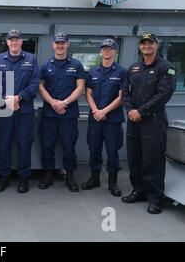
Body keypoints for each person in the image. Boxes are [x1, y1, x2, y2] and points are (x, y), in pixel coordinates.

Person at [121, 33, 176, 214]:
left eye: (150, 43)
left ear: (156, 45)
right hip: (133, 120)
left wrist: (140, 112)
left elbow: (163, 95)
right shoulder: (133, 68)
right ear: (140, 47)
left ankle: (154, 198)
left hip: (153, 121)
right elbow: (125, 92)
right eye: (143, 43)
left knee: (153, 160)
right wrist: (130, 111)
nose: (146, 46)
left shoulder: (166, 68)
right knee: (134, 158)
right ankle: (139, 190)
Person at [0, 29, 39, 193]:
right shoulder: (0, 59)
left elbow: (34, 84)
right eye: (11, 40)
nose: (14, 42)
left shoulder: (31, 59)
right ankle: (3, 176)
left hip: (24, 110)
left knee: (24, 144)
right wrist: (8, 99)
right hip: (5, 109)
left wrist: (18, 98)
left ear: (21, 41)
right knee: (3, 143)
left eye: (16, 39)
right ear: (7, 42)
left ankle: (23, 178)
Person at [38, 32, 85, 192]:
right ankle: (48, 175)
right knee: (47, 146)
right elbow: (40, 86)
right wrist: (53, 103)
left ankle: (70, 177)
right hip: (49, 113)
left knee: (69, 146)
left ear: (67, 45)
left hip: (69, 113)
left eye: (62, 43)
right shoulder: (46, 65)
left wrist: (64, 103)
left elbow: (80, 88)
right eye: (57, 43)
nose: (59, 46)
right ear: (53, 45)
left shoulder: (76, 65)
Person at [81, 38, 127, 196]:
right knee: (94, 149)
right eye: (104, 48)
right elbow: (88, 94)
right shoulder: (93, 71)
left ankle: (112, 183)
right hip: (95, 118)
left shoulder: (122, 72)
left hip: (112, 120)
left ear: (115, 51)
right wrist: (96, 111)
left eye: (110, 48)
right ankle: (94, 179)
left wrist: (104, 111)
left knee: (112, 151)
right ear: (100, 51)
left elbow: (122, 97)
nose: (107, 51)